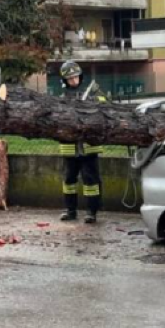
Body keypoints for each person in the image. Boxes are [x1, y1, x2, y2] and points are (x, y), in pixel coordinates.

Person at [58, 60, 105, 224]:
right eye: (70, 78)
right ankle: (70, 210)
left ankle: (92, 212)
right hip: (69, 147)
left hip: (88, 146)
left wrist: (92, 104)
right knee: (69, 180)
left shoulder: (92, 91)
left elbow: (104, 105)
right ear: (64, 80)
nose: (73, 80)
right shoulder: (62, 98)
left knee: (90, 180)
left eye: (75, 77)